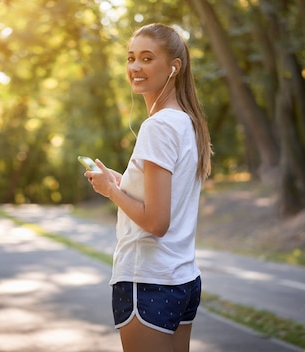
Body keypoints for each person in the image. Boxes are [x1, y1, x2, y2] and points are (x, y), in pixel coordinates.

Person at [84, 23, 212, 352]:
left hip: (149, 280)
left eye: (146, 58)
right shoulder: (186, 121)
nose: (135, 67)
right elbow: (163, 197)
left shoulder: (158, 126)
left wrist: (111, 192)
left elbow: (156, 222)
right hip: (181, 278)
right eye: (130, 58)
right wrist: (122, 183)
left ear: (174, 67)